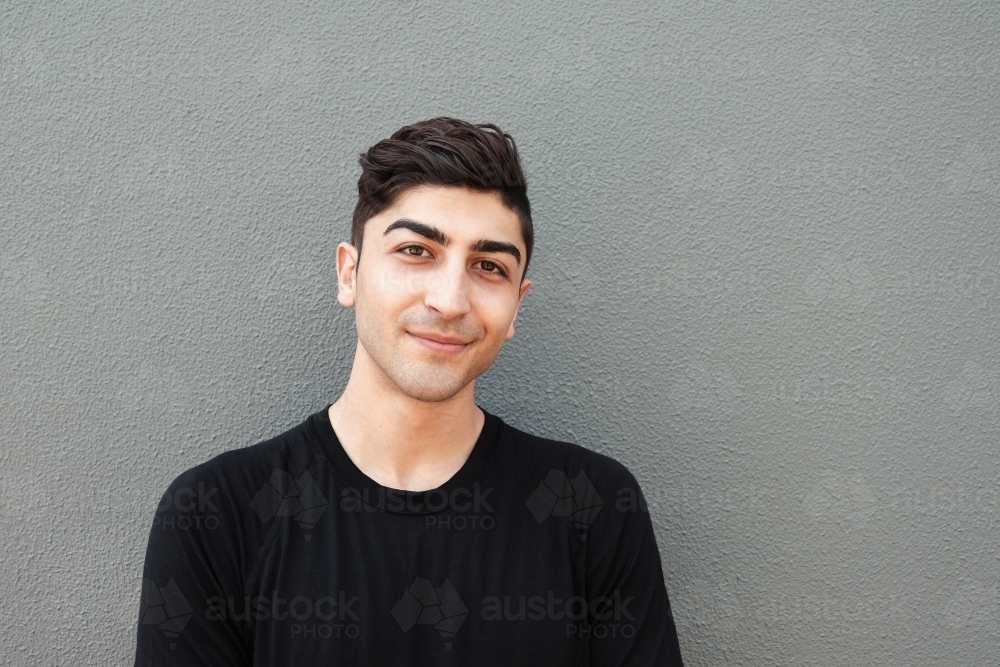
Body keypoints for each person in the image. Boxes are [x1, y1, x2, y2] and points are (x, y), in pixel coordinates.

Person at [134, 117, 685, 666]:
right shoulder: (216, 513)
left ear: (517, 303)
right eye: (416, 251)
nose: (450, 300)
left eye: (489, 266)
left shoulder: (591, 508)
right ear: (349, 274)